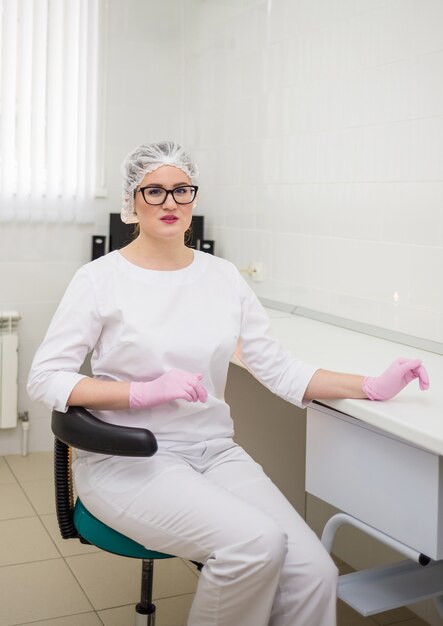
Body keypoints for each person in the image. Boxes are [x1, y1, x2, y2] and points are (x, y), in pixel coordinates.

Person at [27, 141, 429, 626]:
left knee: (314, 572)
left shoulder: (223, 278)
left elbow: (278, 368)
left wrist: (371, 385)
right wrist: (140, 393)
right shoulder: (98, 279)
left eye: (181, 190)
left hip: (213, 453)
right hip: (132, 458)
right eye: (153, 191)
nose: (170, 202)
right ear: (131, 203)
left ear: (194, 199)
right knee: (253, 545)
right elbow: (46, 378)